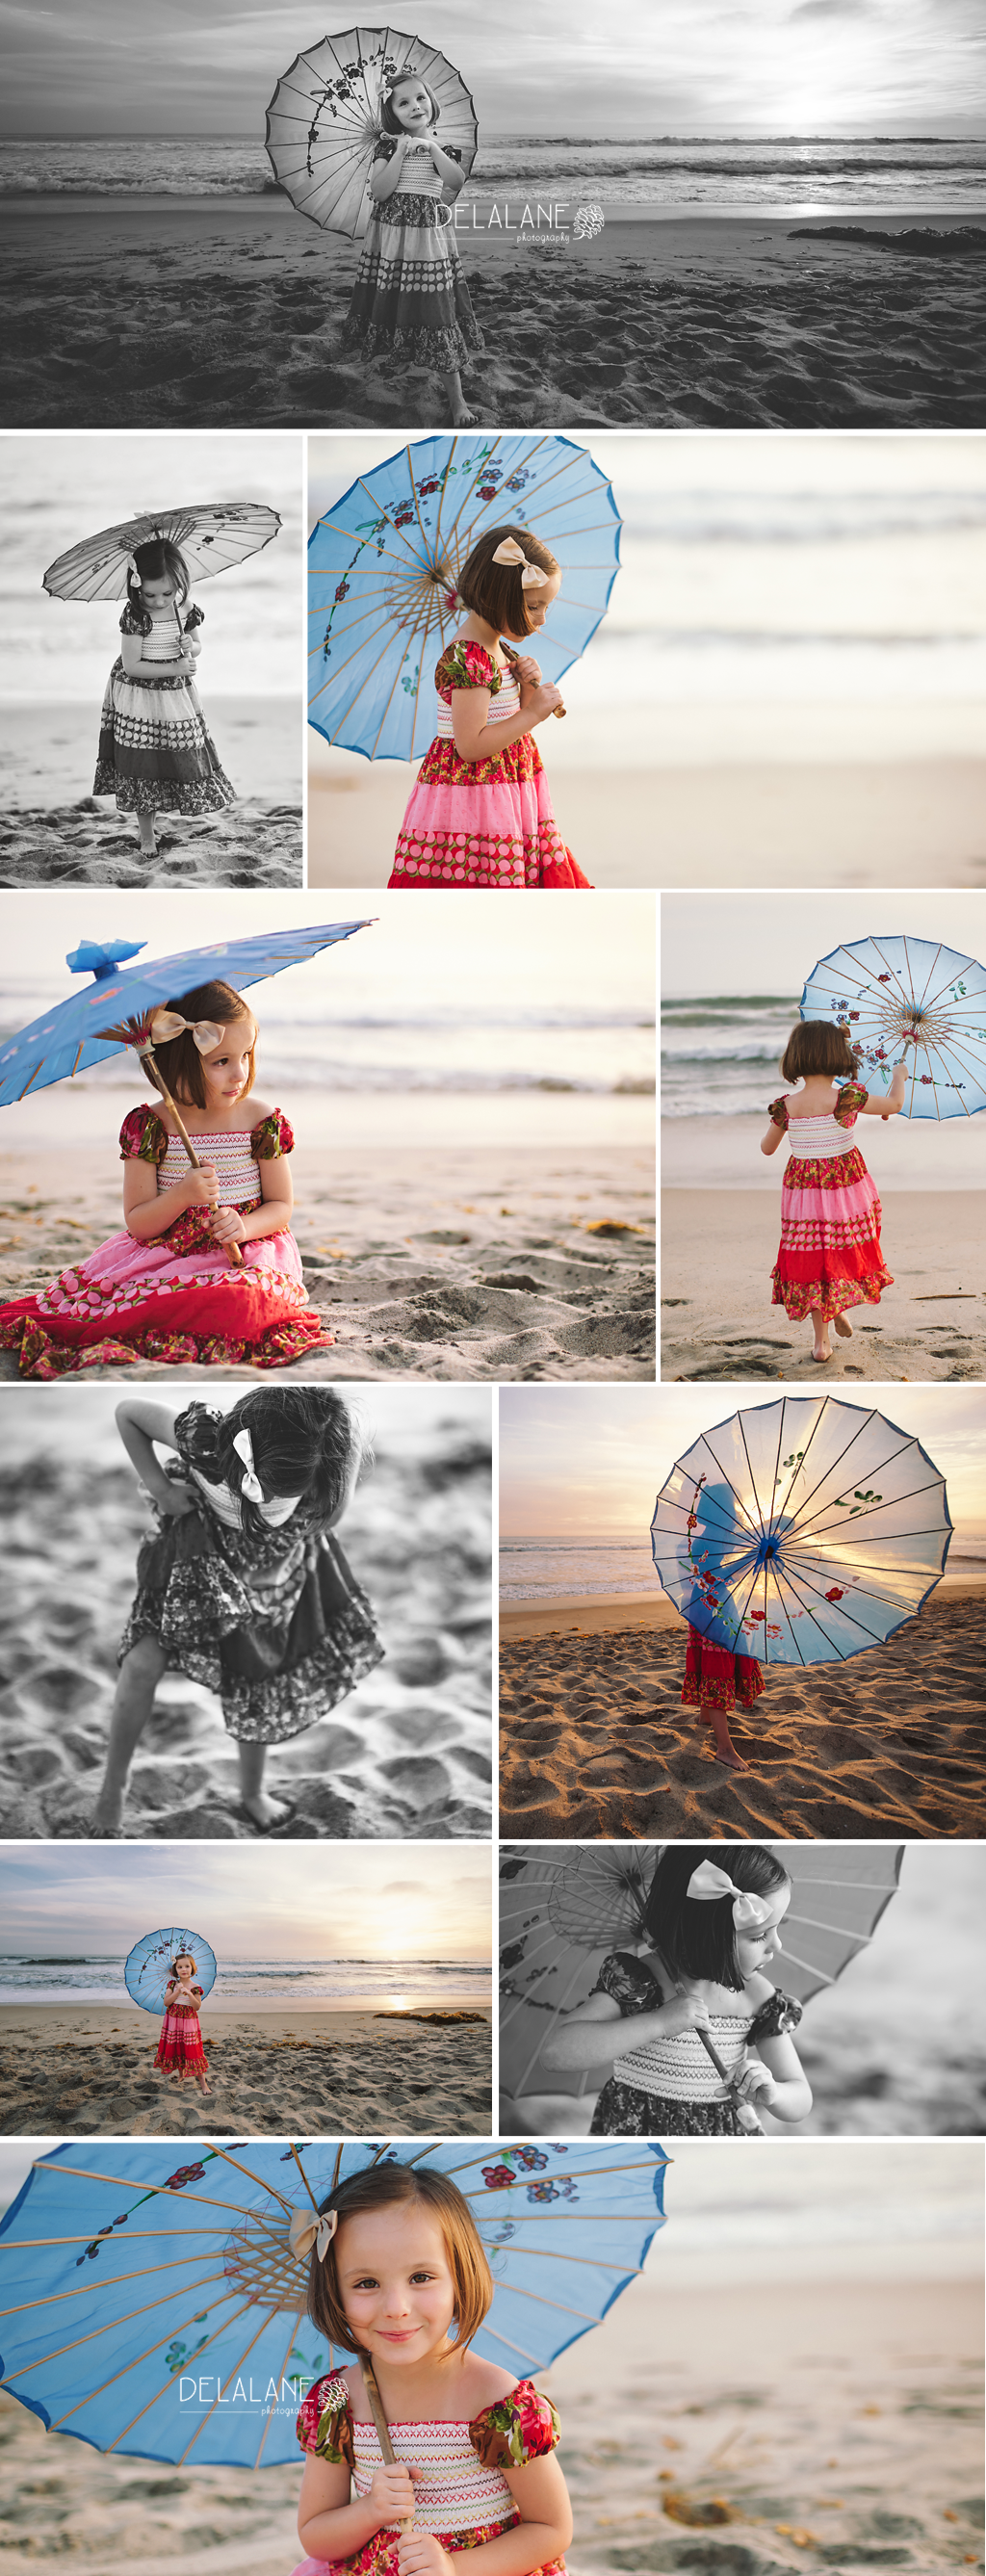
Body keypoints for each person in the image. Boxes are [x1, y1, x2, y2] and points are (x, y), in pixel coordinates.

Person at [28, 2162, 579, 2576]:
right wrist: (370, 2513)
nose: (396, 2307)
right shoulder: (338, 2397)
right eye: (365, 2283)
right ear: (333, 2294)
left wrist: (456, 2570)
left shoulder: (495, 2399)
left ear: (461, 2275)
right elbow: (316, 2533)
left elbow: (550, 2528)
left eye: (421, 2277)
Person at [91, 1385, 383, 1834]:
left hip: (271, 1579)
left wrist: (266, 1580)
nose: (258, 1501)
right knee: (141, 1661)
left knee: (258, 1677)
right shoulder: (205, 1436)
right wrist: (161, 1489)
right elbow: (128, 1411)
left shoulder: (322, 1483)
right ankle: (115, 1784)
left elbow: (329, 1520)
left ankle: (251, 1791)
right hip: (194, 1558)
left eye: (274, 1498)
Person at [0, 981, 324, 1376]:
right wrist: (183, 1195)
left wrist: (244, 1226)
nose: (240, 1073)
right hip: (169, 1249)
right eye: (221, 1061)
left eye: (246, 1055)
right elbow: (139, 1221)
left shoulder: (260, 1120)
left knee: (243, 1300)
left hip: (249, 1248)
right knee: (139, 1308)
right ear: (175, 1061)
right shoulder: (151, 1125)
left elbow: (281, 1206)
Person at [543, 1847, 811, 2137]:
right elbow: (556, 2052)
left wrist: (774, 2094)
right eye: (759, 1936)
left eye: (776, 1928)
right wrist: (657, 2022)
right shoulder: (638, 1983)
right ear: (705, 1933)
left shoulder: (756, 1997)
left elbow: (800, 2098)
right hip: (639, 2133)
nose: (777, 1946)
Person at [387, 527, 590, 888]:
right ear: (498, 598)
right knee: (485, 878)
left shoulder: (498, 649)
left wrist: (527, 690)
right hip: (476, 793)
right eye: (532, 607)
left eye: (546, 606)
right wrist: (532, 714)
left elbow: (505, 716)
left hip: (508, 783)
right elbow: (471, 746)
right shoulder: (467, 658)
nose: (542, 619)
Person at [763, 1017, 904, 1364]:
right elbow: (895, 1105)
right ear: (838, 1055)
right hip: (845, 1193)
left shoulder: (786, 1105)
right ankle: (834, 1305)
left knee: (813, 1257)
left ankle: (821, 1342)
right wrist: (899, 1077)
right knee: (839, 1250)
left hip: (803, 1196)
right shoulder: (848, 1098)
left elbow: (767, 1148)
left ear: (795, 1057)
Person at [342, 71, 480, 421]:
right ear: (393, 115)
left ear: (431, 101)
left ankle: (457, 399)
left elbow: (456, 180)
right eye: (403, 103)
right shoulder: (387, 146)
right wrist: (402, 150)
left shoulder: (444, 149)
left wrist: (431, 148)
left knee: (436, 308)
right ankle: (402, 357)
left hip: (428, 240)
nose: (415, 106)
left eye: (420, 97)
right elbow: (381, 191)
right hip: (392, 239)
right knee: (398, 300)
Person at [93, 538, 235, 858]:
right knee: (143, 763)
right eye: (150, 594)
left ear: (180, 585)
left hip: (175, 694)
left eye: (167, 594)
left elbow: (197, 646)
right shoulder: (135, 616)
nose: (159, 601)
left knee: (173, 755)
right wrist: (176, 665)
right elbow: (132, 665)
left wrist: (190, 646)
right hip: (138, 694)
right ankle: (147, 835)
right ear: (136, 586)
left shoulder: (184, 609)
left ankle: (164, 814)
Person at [679, 1480, 765, 1775]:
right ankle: (725, 1748)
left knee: (712, 1663)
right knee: (717, 1668)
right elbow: (717, 1576)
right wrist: (749, 1558)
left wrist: (747, 1558)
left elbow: (716, 1575)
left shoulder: (711, 1536)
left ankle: (705, 1717)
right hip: (712, 1607)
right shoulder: (719, 1537)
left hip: (707, 1605)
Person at [153, 1952, 209, 2084]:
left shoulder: (196, 1988)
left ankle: (203, 2083)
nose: (184, 1969)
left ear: (192, 1968)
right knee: (177, 2045)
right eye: (180, 1967)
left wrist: (188, 1993)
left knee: (193, 2049)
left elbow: (197, 2007)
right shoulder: (172, 1984)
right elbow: (166, 2003)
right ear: (175, 1970)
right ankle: (181, 2074)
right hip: (173, 2020)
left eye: (187, 1966)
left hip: (189, 2021)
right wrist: (178, 1990)